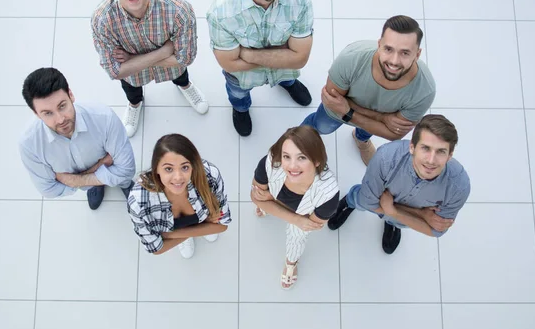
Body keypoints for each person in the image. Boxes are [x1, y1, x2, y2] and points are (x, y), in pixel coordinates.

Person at [91, 0, 208, 138]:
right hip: (136, 76)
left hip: (169, 67)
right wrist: (164, 51)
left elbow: (185, 57)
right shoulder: (102, 19)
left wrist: (131, 59)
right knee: (132, 90)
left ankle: (185, 86)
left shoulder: (179, 10)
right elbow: (114, 71)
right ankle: (135, 105)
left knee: (181, 75)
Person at [207, 0, 314, 136]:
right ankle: (241, 109)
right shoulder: (222, 11)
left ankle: (287, 83)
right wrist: (284, 55)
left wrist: (247, 54)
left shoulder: (301, 1)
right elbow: (229, 64)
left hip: (284, 71)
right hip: (241, 78)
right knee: (238, 96)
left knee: (288, 77)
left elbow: (300, 59)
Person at [302, 15, 436, 165]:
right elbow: (331, 101)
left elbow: (394, 134)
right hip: (338, 114)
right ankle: (300, 143)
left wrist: (348, 111)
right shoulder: (351, 59)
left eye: (405, 53)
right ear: (379, 45)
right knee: (321, 126)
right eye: (388, 49)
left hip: (349, 113)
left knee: (365, 132)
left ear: (417, 54)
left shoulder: (424, 91)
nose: (394, 61)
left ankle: (361, 140)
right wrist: (382, 118)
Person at [328, 114, 471, 255]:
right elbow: (369, 202)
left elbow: (436, 230)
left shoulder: (459, 187)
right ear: (412, 147)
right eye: (425, 148)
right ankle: (350, 201)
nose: (431, 160)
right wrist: (420, 214)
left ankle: (392, 223)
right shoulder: (386, 158)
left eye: (441, 151)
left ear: (449, 155)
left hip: (392, 210)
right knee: (360, 199)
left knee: (394, 219)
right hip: (373, 201)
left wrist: (394, 213)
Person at [19, 68, 136, 210]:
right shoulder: (30, 145)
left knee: (124, 179)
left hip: (109, 171)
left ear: (71, 95)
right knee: (111, 174)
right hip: (107, 166)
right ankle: (96, 186)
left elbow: (126, 169)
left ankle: (123, 185)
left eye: (62, 106)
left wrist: (75, 180)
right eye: (48, 113)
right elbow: (49, 190)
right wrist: (97, 170)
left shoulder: (103, 117)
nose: (61, 119)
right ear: (36, 114)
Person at [250, 126, 339, 289]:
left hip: (305, 212)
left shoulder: (329, 195)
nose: (292, 166)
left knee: (297, 236)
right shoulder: (271, 162)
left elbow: (309, 225)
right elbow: (254, 196)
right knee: (264, 202)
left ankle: (291, 262)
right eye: (286, 156)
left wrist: (270, 201)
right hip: (298, 213)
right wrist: (295, 218)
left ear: (317, 160)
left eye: (302, 157)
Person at [128, 134, 231, 259]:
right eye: (168, 169)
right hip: (200, 221)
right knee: (209, 231)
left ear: (192, 166)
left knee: (212, 233)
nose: (178, 177)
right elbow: (156, 249)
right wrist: (206, 227)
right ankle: (199, 231)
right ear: (156, 169)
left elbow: (223, 225)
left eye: (185, 167)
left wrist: (171, 235)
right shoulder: (138, 202)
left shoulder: (209, 175)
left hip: (176, 230)